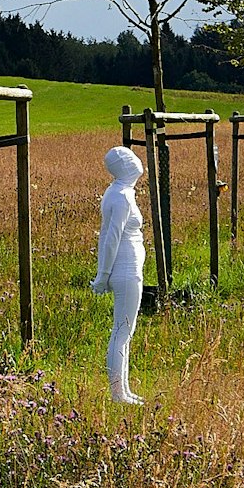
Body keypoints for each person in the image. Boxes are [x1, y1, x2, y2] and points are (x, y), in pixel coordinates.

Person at [90, 147, 147, 404]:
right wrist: (103, 274)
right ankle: (117, 393)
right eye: (129, 159)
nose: (136, 161)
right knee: (122, 331)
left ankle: (123, 389)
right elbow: (110, 237)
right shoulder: (121, 196)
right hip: (125, 269)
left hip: (129, 268)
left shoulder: (120, 193)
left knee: (125, 331)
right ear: (123, 166)